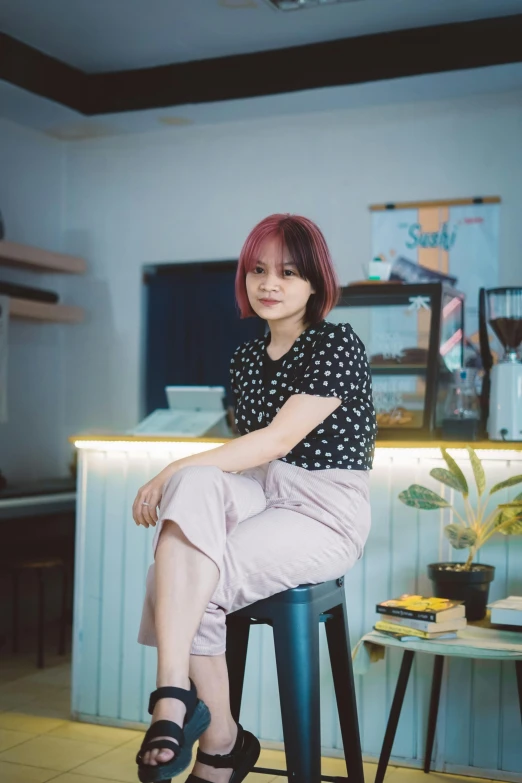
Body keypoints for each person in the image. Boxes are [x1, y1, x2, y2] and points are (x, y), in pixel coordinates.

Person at [133, 214, 376, 783]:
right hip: (266, 494)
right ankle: (182, 703)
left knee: (180, 580)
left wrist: (168, 467)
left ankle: (217, 745)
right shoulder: (245, 359)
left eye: (289, 272)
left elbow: (277, 440)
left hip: (323, 511)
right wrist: (184, 477)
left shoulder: (335, 343)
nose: (270, 283)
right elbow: (257, 459)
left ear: (315, 283)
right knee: (194, 493)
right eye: (259, 270)